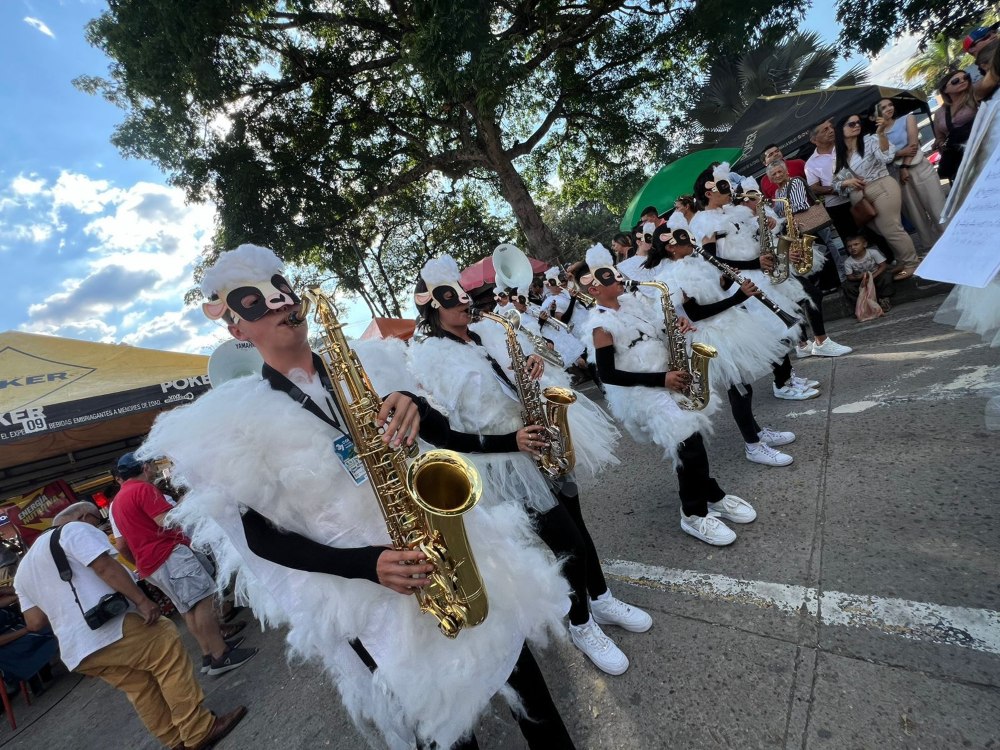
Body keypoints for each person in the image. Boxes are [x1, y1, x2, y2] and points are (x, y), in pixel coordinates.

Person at [140, 244, 575, 750]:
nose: (281, 303)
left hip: (452, 550)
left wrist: (413, 403)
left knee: (529, 688)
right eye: (254, 303)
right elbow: (260, 539)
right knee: (449, 730)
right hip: (378, 595)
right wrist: (367, 565)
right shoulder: (238, 422)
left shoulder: (371, 362)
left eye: (283, 289)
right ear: (237, 330)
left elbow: (443, 433)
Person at [408, 254, 651, 677]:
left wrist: (535, 364)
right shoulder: (429, 357)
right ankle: (581, 624)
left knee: (579, 528)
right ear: (432, 306)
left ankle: (601, 598)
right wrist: (512, 441)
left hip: (541, 441)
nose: (466, 301)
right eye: (452, 298)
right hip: (504, 464)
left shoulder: (488, 331)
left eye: (464, 294)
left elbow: (527, 369)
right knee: (567, 544)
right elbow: (444, 437)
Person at [14, 502, 247, 750]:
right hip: (113, 627)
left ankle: (175, 741)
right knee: (166, 651)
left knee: (140, 689)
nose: (99, 527)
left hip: (77, 649)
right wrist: (142, 601)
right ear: (83, 516)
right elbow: (104, 567)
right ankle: (198, 730)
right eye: (98, 520)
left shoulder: (23, 570)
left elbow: (35, 622)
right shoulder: (73, 529)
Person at [575, 243, 757, 546]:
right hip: (643, 393)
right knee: (689, 442)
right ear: (594, 290)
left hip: (668, 378)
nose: (619, 278)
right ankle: (693, 514)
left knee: (693, 439)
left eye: (616, 273)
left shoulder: (632, 303)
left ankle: (711, 494)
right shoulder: (600, 326)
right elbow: (608, 375)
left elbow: (659, 329)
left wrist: (677, 324)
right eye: (610, 277)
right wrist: (662, 379)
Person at [651, 227, 798, 467]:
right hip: (711, 333)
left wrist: (728, 279)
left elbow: (715, 292)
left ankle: (757, 432)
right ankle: (753, 445)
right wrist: (738, 298)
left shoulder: (697, 262)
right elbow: (695, 313)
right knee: (739, 388)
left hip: (728, 323)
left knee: (743, 385)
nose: (692, 241)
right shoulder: (671, 276)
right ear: (671, 247)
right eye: (684, 239)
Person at [110, 452, 255, 677]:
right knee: (203, 601)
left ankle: (208, 653)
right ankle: (221, 654)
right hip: (169, 555)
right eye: (151, 464)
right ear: (145, 467)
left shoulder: (118, 500)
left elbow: (124, 542)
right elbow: (166, 521)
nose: (154, 468)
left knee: (188, 608)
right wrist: (185, 502)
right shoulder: (143, 489)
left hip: (152, 564)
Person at [833, 113, 922, 280]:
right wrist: (846, 182)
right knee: (881, 231)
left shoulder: (870, 140)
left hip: (881, 186)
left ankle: (912, 263)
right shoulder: (838, 154)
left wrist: (881, 134)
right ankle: (902, 260)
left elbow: (887, 157)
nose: (856, 125)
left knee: (891, 229)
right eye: (851, 124)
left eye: (858, 123)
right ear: (841, 130)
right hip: (860, 198)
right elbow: (836, 183)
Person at [806, 118, 894, 267]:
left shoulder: (846, 144)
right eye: (825, 130)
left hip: (862, 195)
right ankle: (859, 271)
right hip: (837, 205)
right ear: (814, 140)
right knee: (849, 239)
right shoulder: (811, 163)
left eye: (831, 127)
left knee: (875, 229)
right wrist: (837, 189)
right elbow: (814, 187)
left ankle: (891, 259)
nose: (831, 130)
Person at [876, 97, 945, 251]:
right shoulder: (877, 135)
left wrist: (904, 166)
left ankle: (950, 238)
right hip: (896, 174)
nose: (888, 109)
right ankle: (930, 248)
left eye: (890, 105)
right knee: (915, 215)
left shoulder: (908, 118)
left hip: (918, 166)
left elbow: (913, 145)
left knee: (937, 206)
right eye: (883, 107)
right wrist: (900, 153)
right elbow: (884, 157)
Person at [0, 584, 57, 695]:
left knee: (44, 625)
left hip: (16, 626)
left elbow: (18, 591)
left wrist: (16, 594)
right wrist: (25, 630)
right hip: (6, 644)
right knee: (28, 642)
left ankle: (46, 673)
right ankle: (35, 682)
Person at [933, 70, 979, 183]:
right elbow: (940, 138)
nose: (962, 81)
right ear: (945, 89)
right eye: (955, 81)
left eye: (966, 77)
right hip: (960, 158)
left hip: (980, 147)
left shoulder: (976, 96)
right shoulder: (939, 113)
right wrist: (941, 144)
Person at [841, 235, 894, 313]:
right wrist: (858, 278)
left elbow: (883, 266)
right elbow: (849, 277)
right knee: (847, 286)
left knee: (886, 276)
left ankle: (884, 300)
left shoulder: (873, 253)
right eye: (849, 246)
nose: (852, 248)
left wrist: (872, 276)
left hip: (876, 275)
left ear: (864, 244)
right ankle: (860, 306)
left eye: (856, 244)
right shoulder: (848, 262)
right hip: (862, 280)